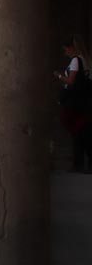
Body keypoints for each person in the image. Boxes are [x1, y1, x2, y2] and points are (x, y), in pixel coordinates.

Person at [56, 34, 92, 172]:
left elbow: (71, 81)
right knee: (82, 131)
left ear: (72, 48)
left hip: (76, 102)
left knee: (78, 131)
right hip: (83, 101)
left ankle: (79, 163)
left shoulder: (76, 60)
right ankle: (81, 163)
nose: (65, 53)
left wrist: (59, 76)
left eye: (66, 50)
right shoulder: (85, 59)